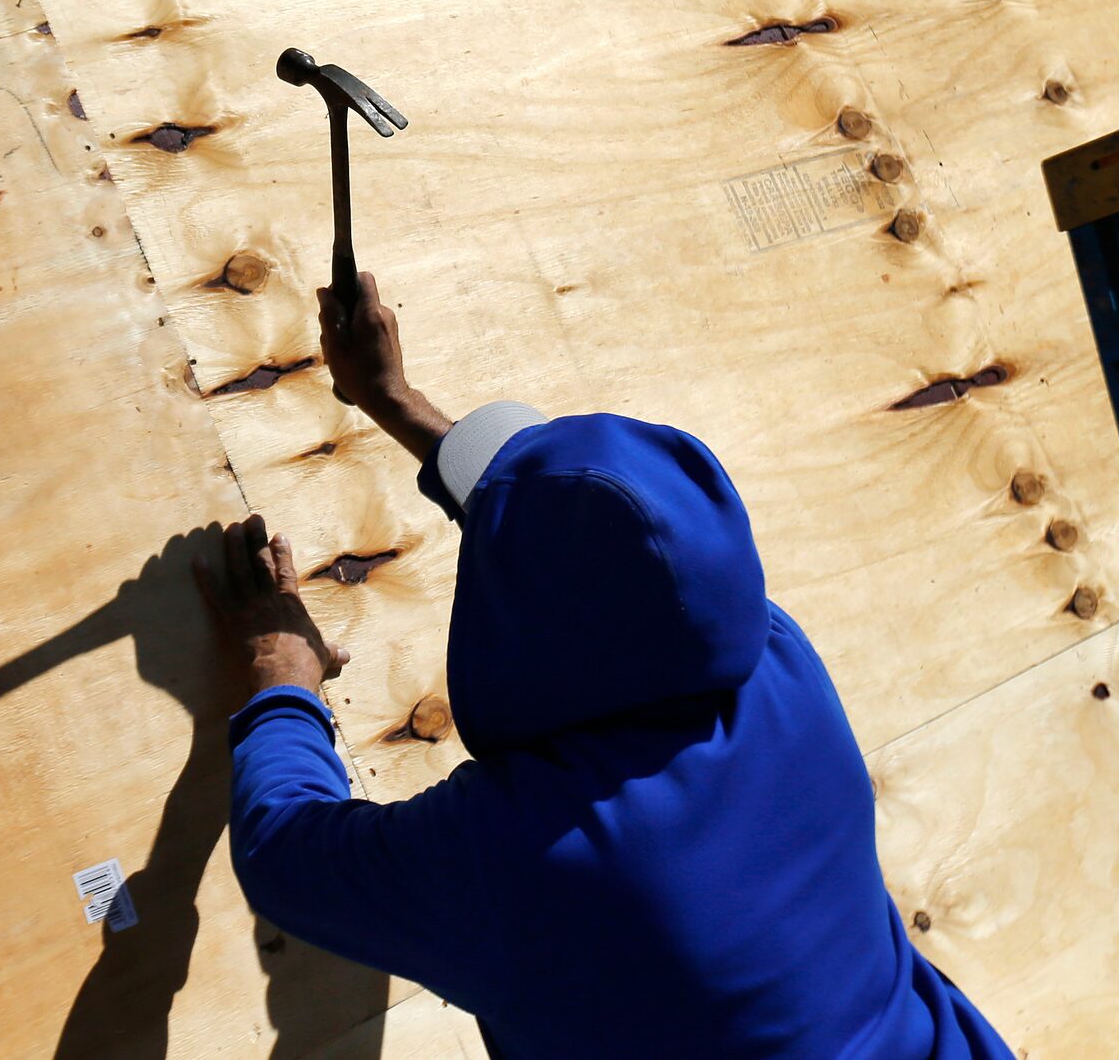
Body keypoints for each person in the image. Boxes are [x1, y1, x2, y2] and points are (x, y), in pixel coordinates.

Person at [196, 274, 1018, 1060]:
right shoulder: (775, 666)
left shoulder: (527, 854)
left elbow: (287, 856)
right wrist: (396, 402)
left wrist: (282, 676)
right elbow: (638, 564)